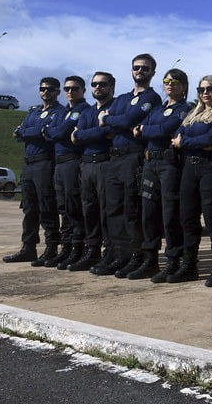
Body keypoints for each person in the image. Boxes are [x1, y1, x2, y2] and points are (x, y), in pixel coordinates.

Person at [95, 54, 161, 278]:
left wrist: (111, 119)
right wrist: (116, 121)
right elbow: (109, 126)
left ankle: (138, 256)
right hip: (114, 157)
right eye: (136, 67)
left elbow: (123, 121)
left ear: (153, 72)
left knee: (132, 210)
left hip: (134, 158)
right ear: (131, 70)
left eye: (145, 68)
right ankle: (118, 255)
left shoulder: (152, 98)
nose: (140, 71)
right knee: (113, 209)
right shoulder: (122, 98)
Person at [170, 75, 212, 285]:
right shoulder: (191, 114)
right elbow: (176, 137)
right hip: (189, 168)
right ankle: (189, 266)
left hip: (209, 169)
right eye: (201, 89)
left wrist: (185, 141)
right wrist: (189, 142)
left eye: (210, 89)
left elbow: (211, 142)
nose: (205, 92)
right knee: (187, 219)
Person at [135, 69, 191, 281]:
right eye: (166, 81)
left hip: (169, 163)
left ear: (184, 86)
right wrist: (146, 129)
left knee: (170, 214)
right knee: (148, 213)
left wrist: (143, 129)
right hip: (150, 162)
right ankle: (150, 260)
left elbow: (164, 130)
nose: (170, 84)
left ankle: (173, 260)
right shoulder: (157, 109)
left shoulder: (184, 109)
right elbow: (151, 128)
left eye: (175, 81)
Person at [3, 78, 63, 264]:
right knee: (29, 208)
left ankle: (51, 247)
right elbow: (18, 132)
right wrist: (34, 131)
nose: (46, 92)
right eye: (43, 89)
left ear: (57, 91)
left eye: (50, 89)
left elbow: (48, 132)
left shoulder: (60, 112)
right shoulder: (34, 112)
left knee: (47, 207)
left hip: (45, 163)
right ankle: (28, 248)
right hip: (28, 164)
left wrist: (28, 132)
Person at [68, 72, 115, 271]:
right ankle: (92, 250)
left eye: (102, 84)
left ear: (111, 86)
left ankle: (110, 252)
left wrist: (84, 134)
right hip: (86, 165)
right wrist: (96, 132)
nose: (98, 87)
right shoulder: (87, 112)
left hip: (105, 163)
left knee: (107, 210)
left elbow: (109, 133)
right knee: (89, 209)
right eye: (95, 84)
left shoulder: (115, 107)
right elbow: (74, 138)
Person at [42, 76, 89, 270]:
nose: (70, 92)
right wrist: (52, 131)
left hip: (72, 161)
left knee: (73, 206)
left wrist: (51, 131)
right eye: (67, 89)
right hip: (59, 163)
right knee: (63, 207)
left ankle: (78, 248)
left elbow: (59, 132)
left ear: (83, 90)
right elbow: (54, 130)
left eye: (75, 88)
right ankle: (66, 247)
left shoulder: (82, 110)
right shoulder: (63, 111)